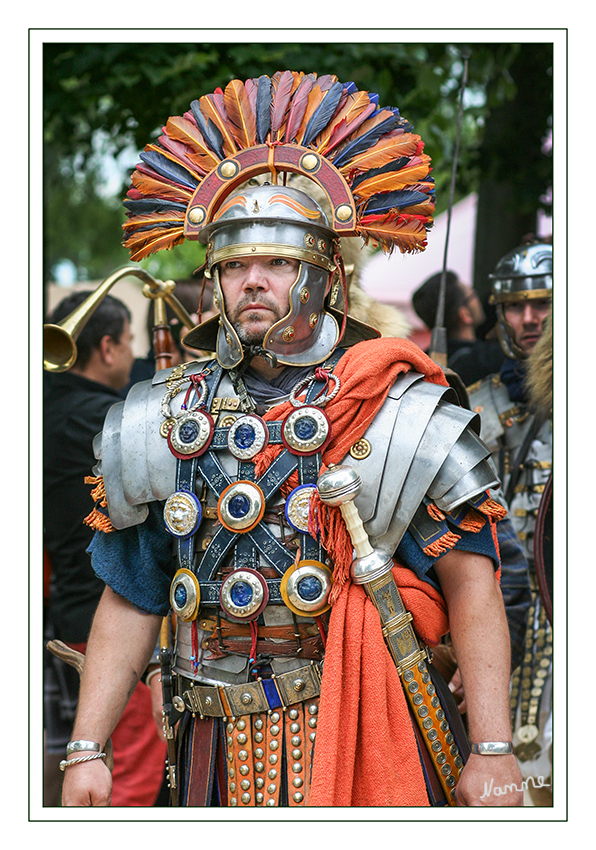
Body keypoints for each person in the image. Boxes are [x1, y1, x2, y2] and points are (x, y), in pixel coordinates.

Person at [59, 71, 523, 808]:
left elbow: (472, 583)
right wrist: (88, 748)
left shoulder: (397, 406)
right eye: (235, 264)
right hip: (203, 740)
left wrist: (493, 748)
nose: (252, 282)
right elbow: (132, 595)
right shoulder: (160, 416)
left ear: (323, 276)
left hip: (361, 717)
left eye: (276, 263)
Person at [43, 290, 168, 806]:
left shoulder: (45, 407)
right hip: (111, 620)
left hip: (77, 611)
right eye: (132, 340)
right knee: (131, 783)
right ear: (110, 347)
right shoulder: (92, 415)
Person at [466, 240, 553, 805]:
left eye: (543, 303)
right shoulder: (473, 407)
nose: (529, 318)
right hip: (495, 609)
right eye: (516, 306)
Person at [412, 270, 504, 385]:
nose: (478, 300)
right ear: (465, 314)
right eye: (473, 295)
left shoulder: (421, 364)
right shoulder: (488, 360)